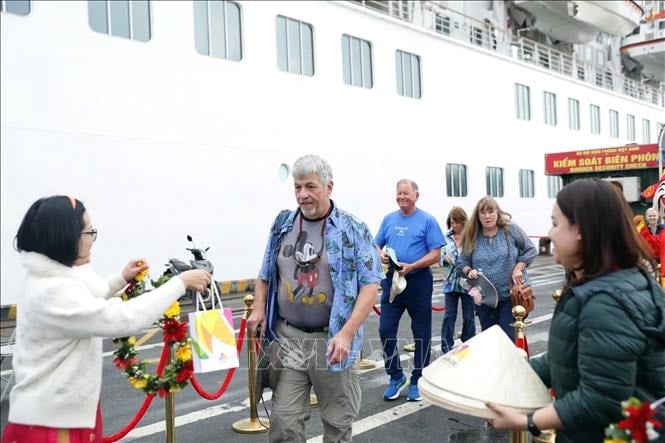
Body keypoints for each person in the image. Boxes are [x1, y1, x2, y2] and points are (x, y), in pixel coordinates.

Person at [2, 195, 211, 443]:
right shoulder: (52, 291)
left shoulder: (48, 278)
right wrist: (180, 283)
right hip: (52, 426)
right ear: (67, 237)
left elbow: (88, 296)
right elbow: (122, 319)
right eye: (90, 232)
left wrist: (121, 277)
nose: (93, 239)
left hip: (59, 416)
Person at [487, 179, 665, 442]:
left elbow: (601, 399)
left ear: (581, 230)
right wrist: (517, 370)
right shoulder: (604, 280)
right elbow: (572, 353)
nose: (550, 233)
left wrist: (528, 421)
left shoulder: (607, 301)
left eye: (556, 223)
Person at [247, 154, 383, 443]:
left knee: (337, 424)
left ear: (329, 187)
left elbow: (370, 286)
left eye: (310, 186)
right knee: (284, 425)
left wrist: (346, 334)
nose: (302, 195)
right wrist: (259, 308)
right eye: (297, 187)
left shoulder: (353, 228)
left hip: (331, 342)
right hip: (289, 339)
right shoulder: (283, 224)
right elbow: (265, 272)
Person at [375, 179, 445, 402]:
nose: (402, 197)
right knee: (385, 329)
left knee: (421, 333)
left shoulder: (427, 220)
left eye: (406, 193)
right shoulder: (389, 219)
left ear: (416, 195)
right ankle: (396, 376)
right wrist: (381, 254)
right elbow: (376, 244)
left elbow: (436, 254)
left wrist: (412, 266)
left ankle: (418, 378)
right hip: (393, 280)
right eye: (399, 193)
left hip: (418, 281)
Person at [457, 196, 536, 341]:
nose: (487, 216)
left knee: (507, 339)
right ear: (478, 216)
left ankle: (515, 363)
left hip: (510, 297)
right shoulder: (473, 235)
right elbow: (461, 262)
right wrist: (469, 270)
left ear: (497, 213)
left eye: (491, 211)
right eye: (483, 212)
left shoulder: (510, 229)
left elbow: (530, 250)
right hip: (486, 300)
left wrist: (518, 267)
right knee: (492, 343)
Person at [440, 206, 475, 353]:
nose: (454, 225)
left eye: (456, 222)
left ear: (463, 221)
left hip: (467, 283)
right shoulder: (445, 238)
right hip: (450, 282)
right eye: (451, 222)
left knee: (469, 315)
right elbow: (439, 258)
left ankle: (468, 341)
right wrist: (444, 260)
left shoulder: (471, 237)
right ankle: (446, 346)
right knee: (449, 314)